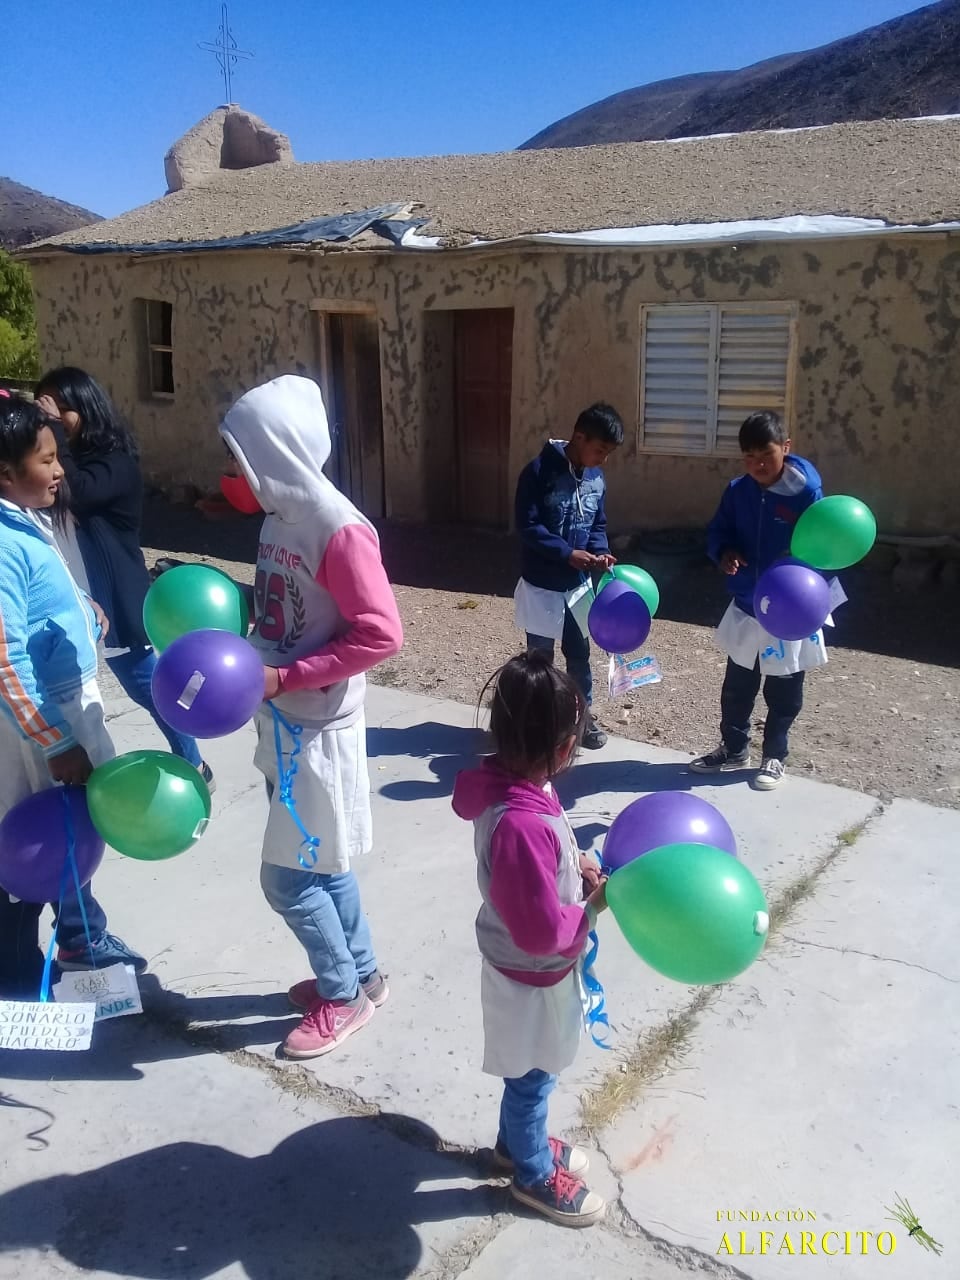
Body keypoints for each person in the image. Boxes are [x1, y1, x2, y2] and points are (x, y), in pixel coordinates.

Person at [218, 374, 402, 1059]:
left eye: (244, 454)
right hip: (280, 714)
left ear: (279, 449)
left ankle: (342, 997)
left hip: (316, 726)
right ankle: (364, 975)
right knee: (322, 863)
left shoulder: (340, 528)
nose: (239, 468)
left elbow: (381, 633)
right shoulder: (278, 516)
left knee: (288, 879)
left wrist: (285, 675)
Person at [452, 652, 608, 1228]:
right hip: (530, 972)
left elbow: (545, 872)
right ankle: (534, 1174)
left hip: (521, 966)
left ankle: (512, 1146)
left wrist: (579, 871)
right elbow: (542, 929)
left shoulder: (517, 787)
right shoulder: (521, 822)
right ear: (565, 748)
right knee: (533, 1076)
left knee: (527, 1072)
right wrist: (592, 908)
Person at [0, 394, 145, 997]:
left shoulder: (22, 517)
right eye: (46, 459)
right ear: (6, 473)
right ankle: (13, 960)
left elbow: (44, 590)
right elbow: (5, 658)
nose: (60, 470)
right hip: (37, 724)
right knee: (34, 838)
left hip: (62, 708)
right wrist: (56, 741)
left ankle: (82, 937)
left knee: (71, 829)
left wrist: (83, 611)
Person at [34, 368, 213, 789]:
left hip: (116, 597)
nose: (53, 416)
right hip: (77, 594)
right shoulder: (68, 460)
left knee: (148, 689)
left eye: (61, 408)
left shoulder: (115, 463)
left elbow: (79, 490)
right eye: (46, 408)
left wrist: (54, 434)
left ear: (86, 408)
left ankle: (195, 766)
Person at [690, 410, 825, 790]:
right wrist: (725, 552)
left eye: (765, 454)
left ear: (785, 447)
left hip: (790, 611)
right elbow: (719, 530)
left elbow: (825, 546)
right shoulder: (737, 491)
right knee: (736, 686)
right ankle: (734, 749)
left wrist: (802, 571)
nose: (758, 464)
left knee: (784, 688)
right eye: (748, 457)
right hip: (749, 605)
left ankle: (774, 756)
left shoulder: (807, 494)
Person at [513, 403, 624, 750]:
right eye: (599, 450)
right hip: (542, 586)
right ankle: (538, 722)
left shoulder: (596, 478)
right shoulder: (537, 473)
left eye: (608, 453)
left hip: (578, 589)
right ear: (579, 437)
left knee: (579, 654)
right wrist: (566, 553)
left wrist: (599, 551)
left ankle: (581, 719)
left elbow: (598, 524)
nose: (603, 459)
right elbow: (528, 526)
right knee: (540, 660)